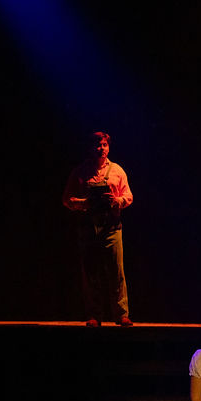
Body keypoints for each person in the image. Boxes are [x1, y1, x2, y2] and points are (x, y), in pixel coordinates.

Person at [63, 131, 133, 327]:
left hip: (111, 227)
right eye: (97, 145)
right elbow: (66, 199)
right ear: (90, 148)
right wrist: (84, 203)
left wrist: (117, 200)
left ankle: (121, 314)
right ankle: (94, 315)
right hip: (88, 228)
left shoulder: (117, 170)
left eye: (104, 145)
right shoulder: (80, 172)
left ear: (108, 147)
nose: (100, 149)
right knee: (91, 273)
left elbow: (128, 196)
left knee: (116, 272)